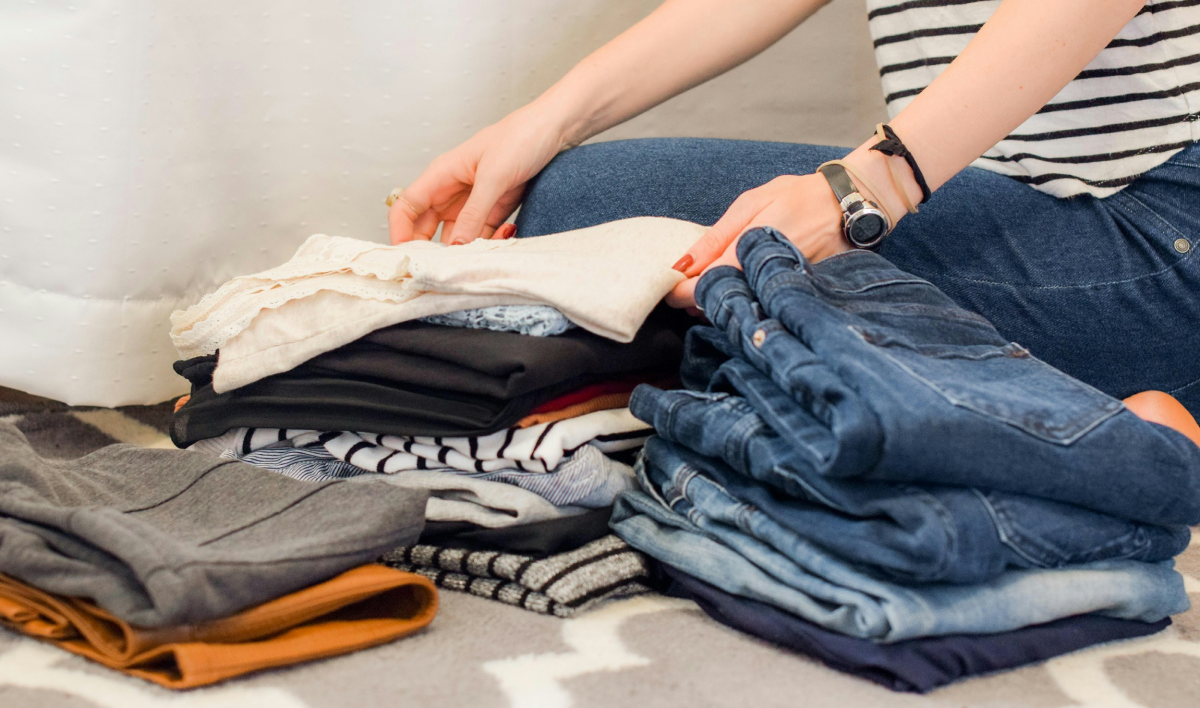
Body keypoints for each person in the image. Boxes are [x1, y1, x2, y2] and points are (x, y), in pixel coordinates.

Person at [385, 0, 1200, 435]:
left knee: (586, 217)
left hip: (1154, 227)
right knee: (565, 201)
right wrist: (544, 122)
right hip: (1006, 200)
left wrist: (875, 186)